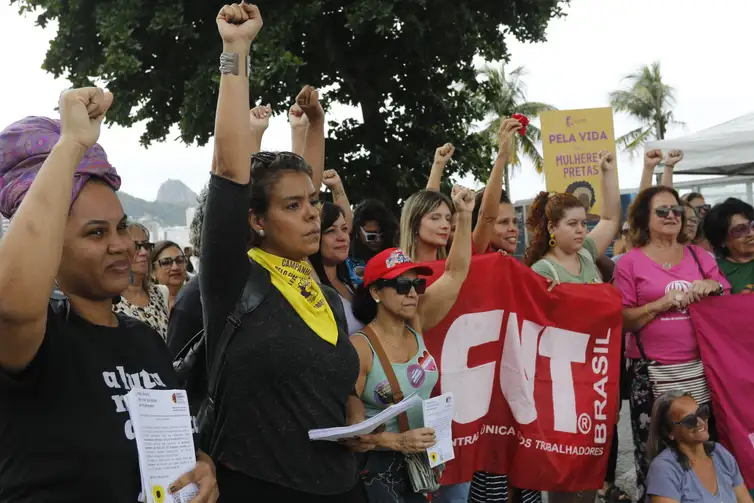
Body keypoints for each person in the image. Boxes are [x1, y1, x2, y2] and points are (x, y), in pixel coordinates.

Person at [0, 94, 216, 502]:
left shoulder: (146, 341)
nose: (121, 245)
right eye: (96, 233)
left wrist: (202, 465)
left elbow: (173, 443)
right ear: (50, 248)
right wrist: (71, 145)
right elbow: (11, 302)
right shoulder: (35, 341)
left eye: (122, 227)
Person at [199, 4, 365, 501]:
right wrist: (235, 52)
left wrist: (353, 409)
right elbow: (230, 168)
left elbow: (334, 386)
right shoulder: (234, 279)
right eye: (294, 206)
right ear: (255, 219)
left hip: (342, 487)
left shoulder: (322, 292)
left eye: (314, 202)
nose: (315, 214)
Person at [349, 186, 474, 503]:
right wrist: (398, 441)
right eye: (403, 285)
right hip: (380, 476)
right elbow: (347, 434)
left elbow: (456, 271)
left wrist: (464, 214)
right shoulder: (361, 348)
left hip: (424, 468)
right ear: (376, 291)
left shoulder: (415, 325)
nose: (413, 293)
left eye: (417, 284)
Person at [613, 185, 730, 502]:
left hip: (700, 374)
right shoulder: (629, 263)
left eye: (676, 210)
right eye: (661, 211)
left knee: (701, 456)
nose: (671, 216)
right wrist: (661, 304)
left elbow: (726, 298)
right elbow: (623, 319)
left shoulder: (699, 256)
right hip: (652, 377)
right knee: (656, 463)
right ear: (644, 218)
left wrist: (712, 285)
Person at [523, 150, 620, 503]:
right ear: (552, 229)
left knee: (593, 464)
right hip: (562, 385)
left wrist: (608, 172)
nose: (583, 230)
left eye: (584, 223)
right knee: (564, 472)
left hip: (594, 376)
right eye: (573, 224)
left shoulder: (586, 254)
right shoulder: (542, 272)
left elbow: (611, 216)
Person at [646, 391, 752, 503]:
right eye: (690, 420)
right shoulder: (664, 469)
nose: (701, 422)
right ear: (669, 432)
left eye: (702, 413)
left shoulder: (720, 454)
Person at [310, 202, 364, 334]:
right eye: (330, 231)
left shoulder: (350, 284)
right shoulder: (311, 287)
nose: (342, 237)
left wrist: (336, 185)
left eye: (344, 229)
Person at [113, 222, 170, 338]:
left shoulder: (160, 293)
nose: (144, 252)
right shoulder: (110, 302)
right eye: (136, 246)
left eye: (146, 246)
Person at [704, 198, 754, 294]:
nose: (751, 234)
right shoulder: (714, 271)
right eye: (740, 230)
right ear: (722, 240)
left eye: (753, 226)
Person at [348, 198, 400, 286]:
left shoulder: (397, 255)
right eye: (371, 236)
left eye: (383, 235)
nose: (378, 240)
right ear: (358, 230)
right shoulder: (345, 256)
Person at [150, 240, 187, 310]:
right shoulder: (147, 305)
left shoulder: (197, 297)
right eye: (166, 262)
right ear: (153, 272)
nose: (175, 267)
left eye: (180, 260)